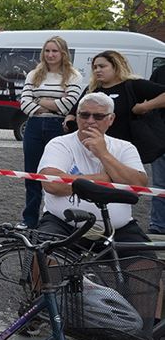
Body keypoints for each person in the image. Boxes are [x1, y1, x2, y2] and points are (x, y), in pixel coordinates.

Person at [38, 92, 149, 243]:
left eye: (98, 116)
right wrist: (104, 179)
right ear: (76, 116)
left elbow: (138, 187)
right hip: (64, 223)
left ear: (111, 119)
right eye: (84, 115)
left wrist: (103, 154)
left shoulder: (124, 147)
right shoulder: (59, 144)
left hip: (118, 227)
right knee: (44, 256)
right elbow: (52, 184)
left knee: (147, 264)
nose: (90, 121)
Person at [74, 50, 165, 233]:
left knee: (128, 187)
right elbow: (76, 108)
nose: (97, 70)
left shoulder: (133, 85)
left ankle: (147, 225)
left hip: (124, 148)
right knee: (99, 185)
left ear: (116, 66)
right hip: (93, 148)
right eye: (95, 67)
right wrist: (69, 118)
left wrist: (144, 106)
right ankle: (95, 222)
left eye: (102, 66)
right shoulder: (92, 89)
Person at [18, 36, 82, 228]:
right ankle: (29, 220)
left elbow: (69, 105)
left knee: (57, 174)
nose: (51, 55)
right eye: (47, 51)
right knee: (32, 174)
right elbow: (24, 103)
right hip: (34, 126)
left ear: (63, 53)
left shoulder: (73, 75)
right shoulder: (33, 74)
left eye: (55, 51)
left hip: (59, 126)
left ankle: (55, 218)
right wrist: (52, 105)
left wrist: (40, 101)